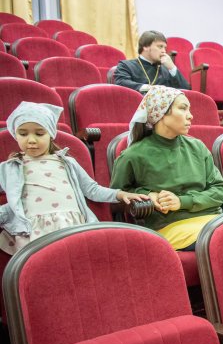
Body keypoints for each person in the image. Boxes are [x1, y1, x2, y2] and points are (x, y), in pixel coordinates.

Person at [0, 102, 148, 255]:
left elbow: (92, 189)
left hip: (71, 225)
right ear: (15, 135)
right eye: (23, 134)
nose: (31, 140)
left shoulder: (67, 162)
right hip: (34, 232)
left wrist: (120, 194)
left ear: (50, 134)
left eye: (39, 133)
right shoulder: (9, 168)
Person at [110, 86, 223, 251]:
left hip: (213, 220)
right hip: (171, 227)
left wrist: (182, 201)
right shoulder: (133, 155)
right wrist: (147, 195)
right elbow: (115, 200)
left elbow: (219, 190)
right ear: (161, 113)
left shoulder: (198, 147)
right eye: (183, 108)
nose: (190, 115)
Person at [115, 30, 191, 93]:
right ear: (145, 47)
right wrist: (149, 88)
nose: (164, 51)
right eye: (160, 47)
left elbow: (186, 90)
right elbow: (121, 83)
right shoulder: (126, 65)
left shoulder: (166, 70)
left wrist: (172, 68)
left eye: (165, 48)